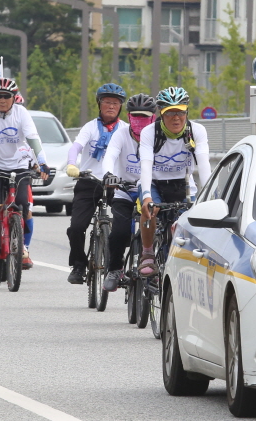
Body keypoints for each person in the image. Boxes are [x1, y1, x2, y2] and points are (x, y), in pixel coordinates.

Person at [0, 76, 50, 266]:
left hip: (19, 165)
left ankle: (22, 245)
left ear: (14, 97)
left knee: (22, 202)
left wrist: (43, 162)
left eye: (7, 96)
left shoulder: (21, 113)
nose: (2, 100)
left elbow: (33, 138)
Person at [137, 86, 211, 277]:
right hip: (154, 182)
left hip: (183, 184)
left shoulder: (196, 131)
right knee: (149, 212)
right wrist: (146, 197)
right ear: (161, 114)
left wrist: (210, 198)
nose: (176, 117)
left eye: (180, 112)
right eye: (170, 113)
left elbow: (203, 166)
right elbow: (145, 165)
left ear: (186, 111)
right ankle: (147, 253)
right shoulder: (149, 132)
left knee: (190, 222)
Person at [63, 83, 127, 284]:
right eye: (107, 102)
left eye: (115, 103)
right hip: (89, 181)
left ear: (120, 107)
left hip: (116, 183)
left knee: (124, 228)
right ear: (99, 104)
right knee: (76, 227)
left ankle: (117, 266)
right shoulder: (90, 127)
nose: (111, 106)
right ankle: (79, 265)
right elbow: (76, 147)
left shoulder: (125, 129)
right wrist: (72, 163)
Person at [99, 93, 157, 293]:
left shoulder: (158, 135)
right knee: (119, 233)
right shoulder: (121, 133)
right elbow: (111, 155)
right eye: (135, 116)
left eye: (144, 117)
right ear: (129, 116)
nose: (139, 122)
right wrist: (109, 174)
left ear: (153, 118)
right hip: (124, 190)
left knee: (155, 229)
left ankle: (153, 269)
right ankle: (115, 270)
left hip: (148, 191)